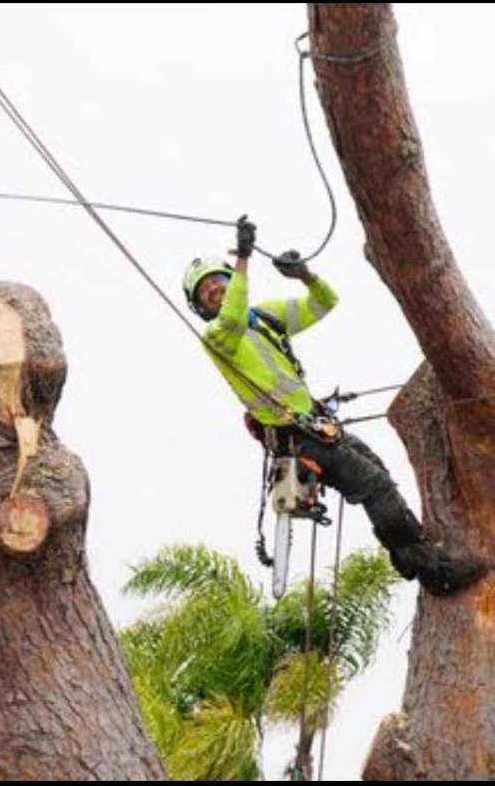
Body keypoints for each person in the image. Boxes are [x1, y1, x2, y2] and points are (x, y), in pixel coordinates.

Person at [183, 216, 487, 595]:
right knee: (375, 487)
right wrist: (243, 258)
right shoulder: (217, 338)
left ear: (231, 281)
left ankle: (418, 550)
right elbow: (231, 316)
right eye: (205, 291)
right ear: (201, 308)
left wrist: (305, 275)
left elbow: (325, 301)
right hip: (297, 437)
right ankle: (432, 571)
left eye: (217, 281)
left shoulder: (265, 318)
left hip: (315, 424)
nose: (214, 289)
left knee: (378, 472)